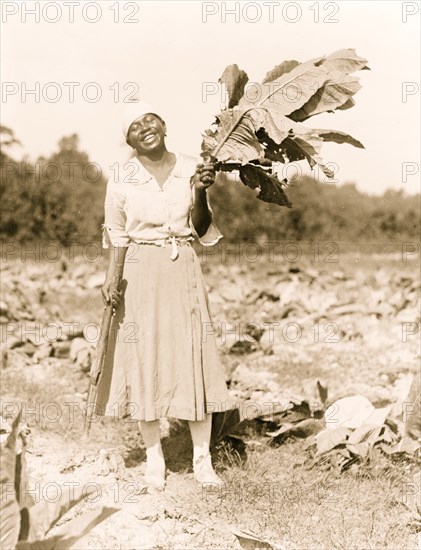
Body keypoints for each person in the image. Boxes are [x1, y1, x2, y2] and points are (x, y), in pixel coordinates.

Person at [95, 100, 230, 490]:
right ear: (129, 140)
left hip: (181, 265)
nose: (145, 127)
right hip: (138, 270)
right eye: (135, 126)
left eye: (150, 119)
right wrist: (111, 278)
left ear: (164, 125)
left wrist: (202, 191)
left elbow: (202, 229)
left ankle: (202, 460)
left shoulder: (192, 167)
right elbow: (117, 233)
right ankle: (155, 458)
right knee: (144, 360)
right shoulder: (121, 176)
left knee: (192, 356)